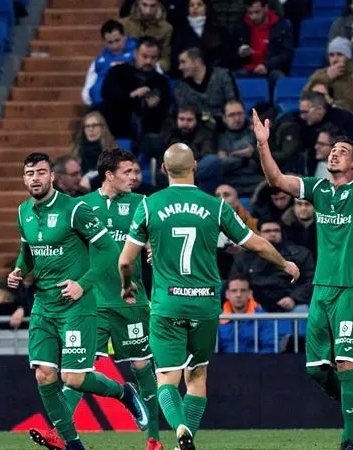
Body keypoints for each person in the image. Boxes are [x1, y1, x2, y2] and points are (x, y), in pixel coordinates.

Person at [118, 143, 299, 450]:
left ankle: (179, 429)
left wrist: (126, 285)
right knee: (198, 376)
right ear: (196, 167)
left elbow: (125, 261)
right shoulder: (216, 206)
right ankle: (186, 440)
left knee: (166, 379)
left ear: (163, 169)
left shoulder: (149, 205)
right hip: (205, 303)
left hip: (168, 303)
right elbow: (253, 243)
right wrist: (284, 263)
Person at [253, 108, 353, 450]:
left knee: (345, 362)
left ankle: (349, 438)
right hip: (321, 289)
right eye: (333, 150)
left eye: (344, 152)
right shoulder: (319, 188)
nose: (335, 153)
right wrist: (263, 145)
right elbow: (277, 180)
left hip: (352, 288)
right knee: (315, 369)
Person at [7, 153, 149, 450]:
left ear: (52, 177)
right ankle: (72, 444)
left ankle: (123, 393)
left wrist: (81, 285)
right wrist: (20, 269)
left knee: (73, 378)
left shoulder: (75, 209)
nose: (35, 178)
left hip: (77, 306)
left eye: (41, 172)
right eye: (30, 172)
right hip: (43, 306)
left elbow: (109, 250)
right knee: (44, 375)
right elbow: (27, 251)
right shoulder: (23, 213)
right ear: (24, 178)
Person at [70, 149, 161, 450]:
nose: (135, 177)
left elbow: (154, 239)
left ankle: (154, 440)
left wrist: (151, 247)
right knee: (78, 370)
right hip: (91, 302)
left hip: (130, 300)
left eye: (136, 172)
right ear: (109, 175)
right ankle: (64, 434)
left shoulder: (142, 204)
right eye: (128, 172)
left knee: (141, 366)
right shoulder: (81, 206)